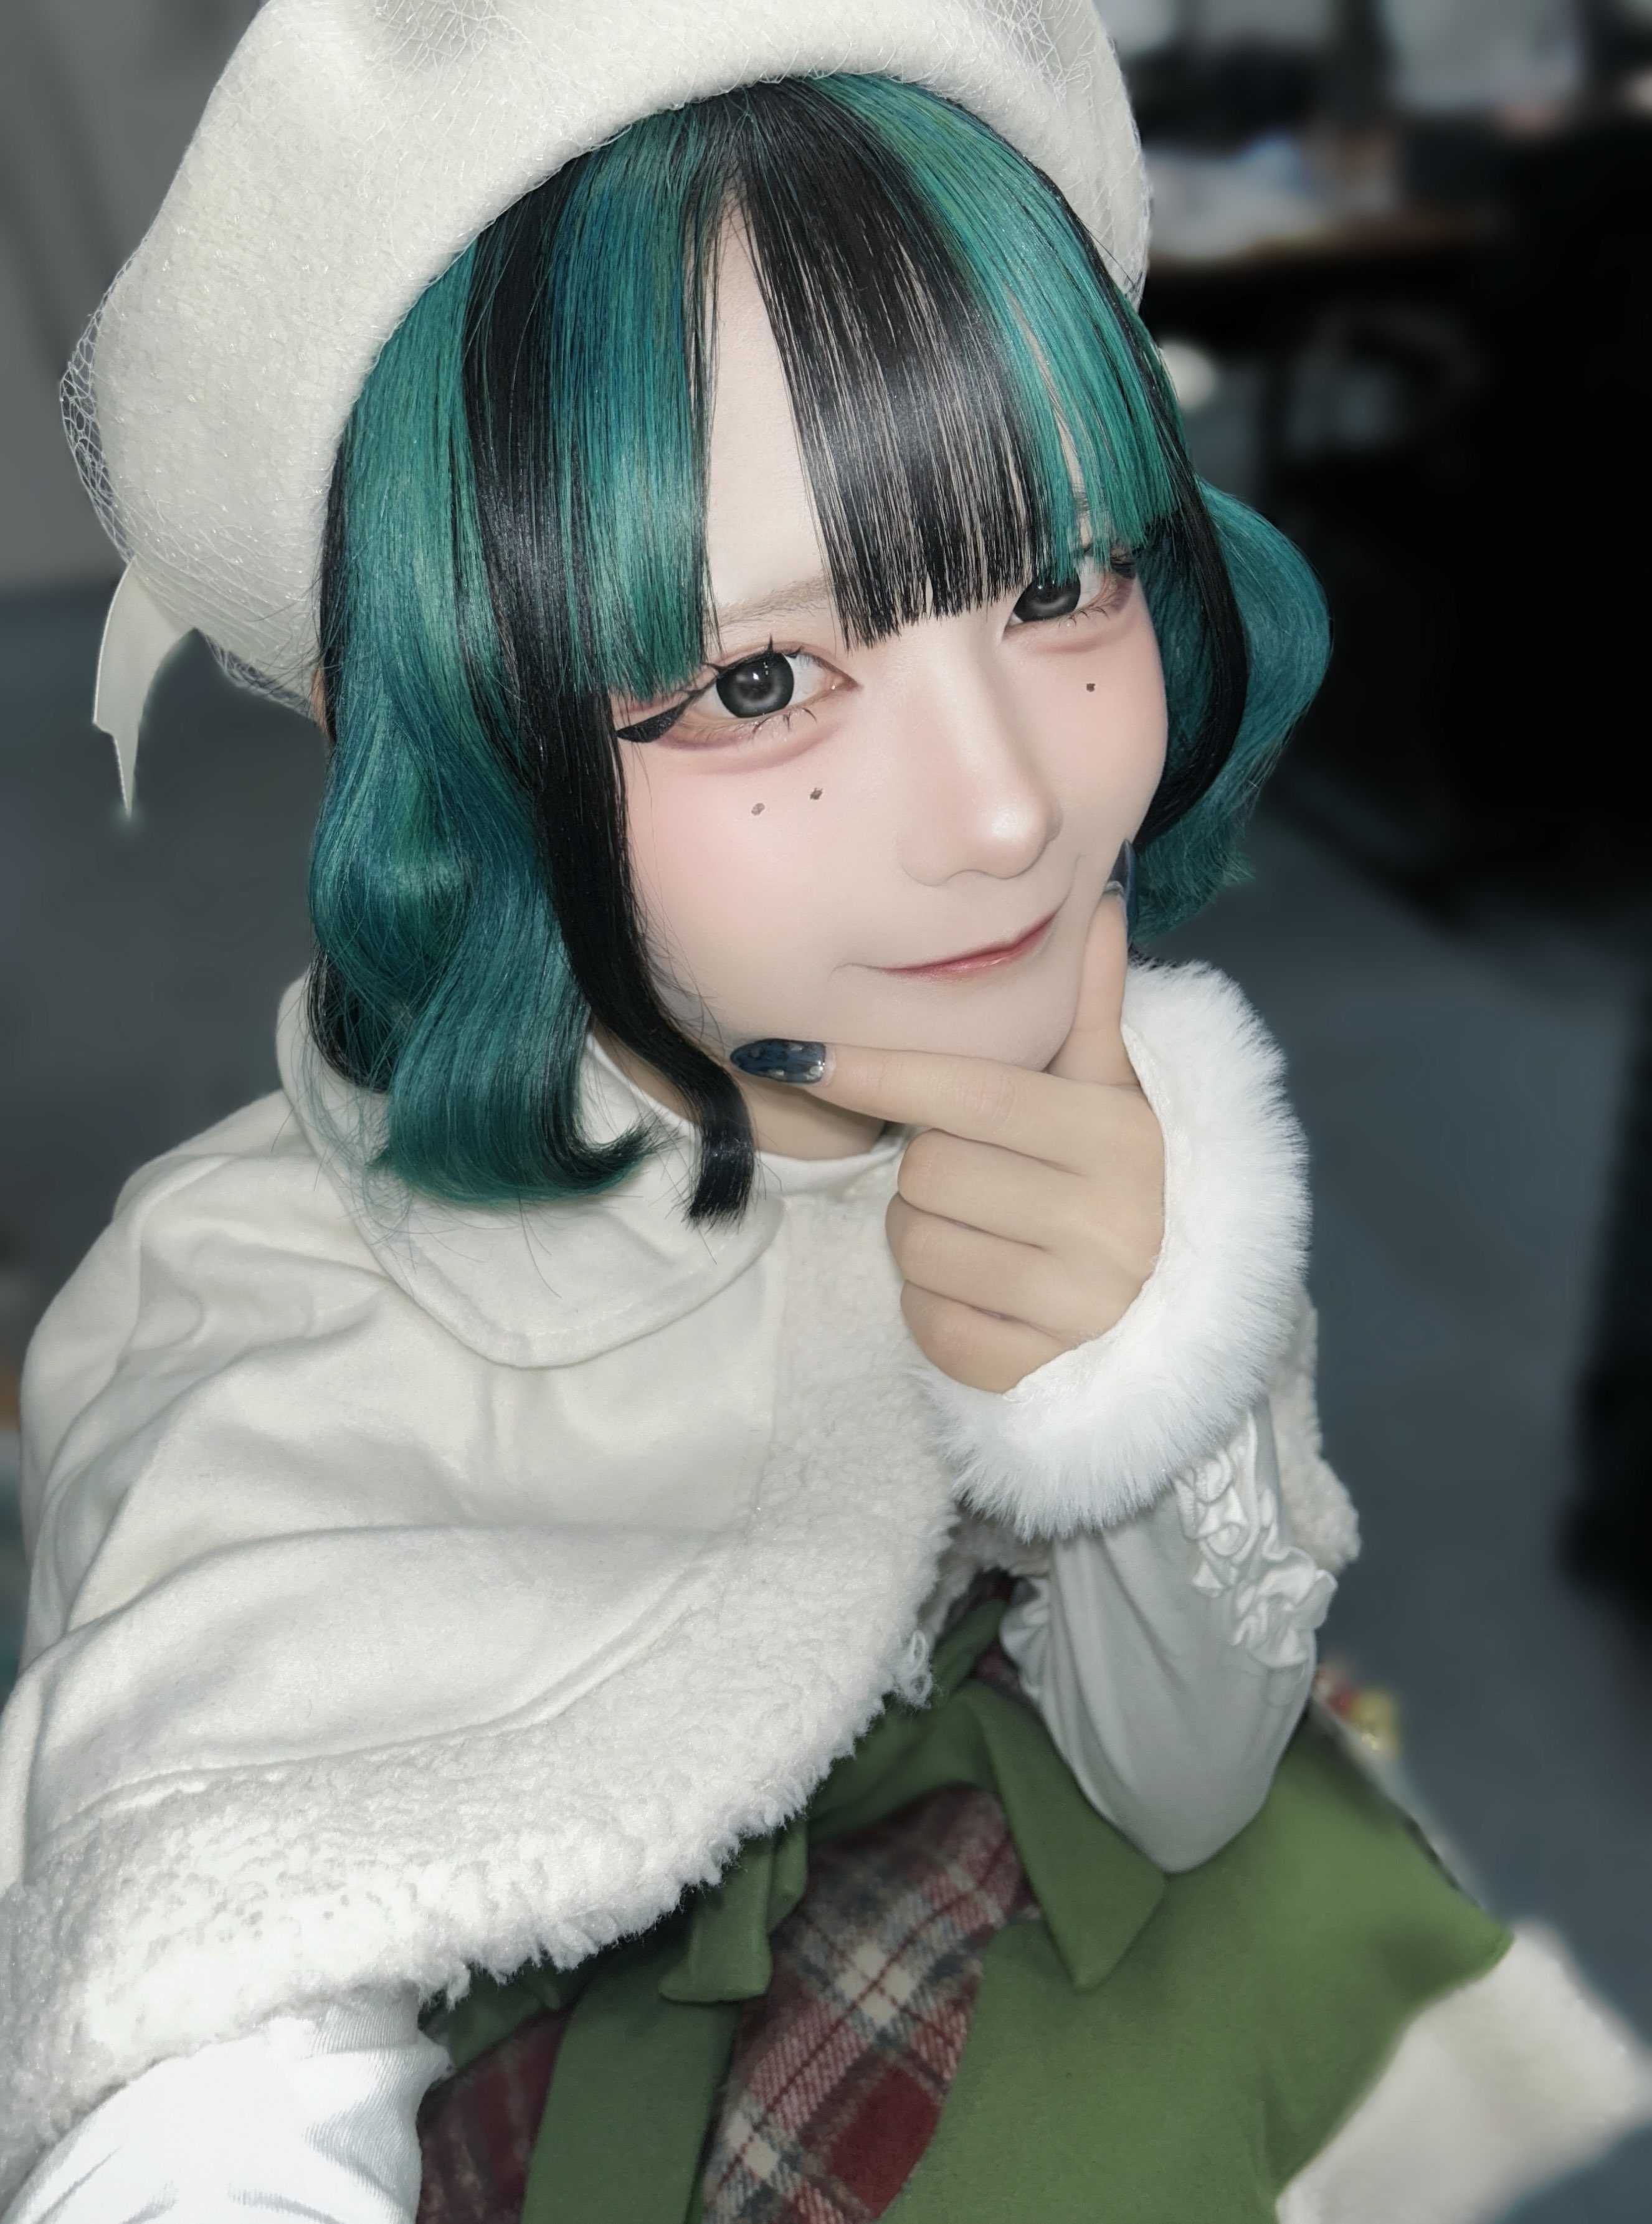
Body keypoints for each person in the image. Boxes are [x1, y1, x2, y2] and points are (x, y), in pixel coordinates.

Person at [3, 5, 1648, 2219]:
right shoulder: (253, 1311)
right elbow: (203, 2011)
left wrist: (1129, 1391)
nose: (1004, 811)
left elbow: (1183, 1786)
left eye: (1060, 582)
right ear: (466, 751)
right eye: (760, 679)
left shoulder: (1114, 1113)